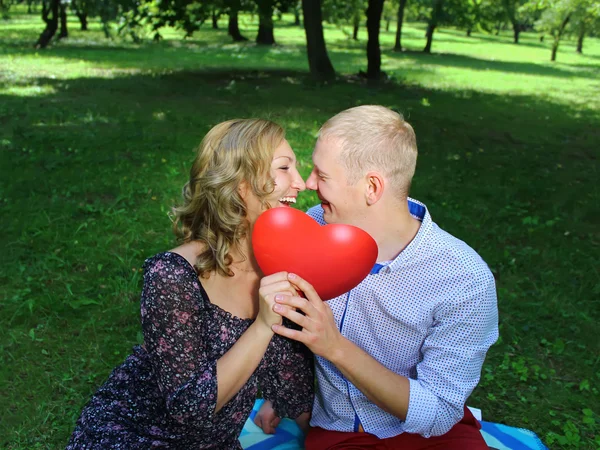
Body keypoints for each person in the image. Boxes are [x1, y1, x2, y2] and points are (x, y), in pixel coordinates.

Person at [256, 105, 499, 449]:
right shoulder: (310, 229)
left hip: (427, 432)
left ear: (372, 187)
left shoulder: (463, 279)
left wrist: (336, 348)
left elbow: (439, 412)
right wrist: (284, 392)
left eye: (322, 176)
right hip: (339, 430)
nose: (308, 184)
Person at [66, 119, 314, 449]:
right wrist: (262, 326)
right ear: (240, 185)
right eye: (284, 168)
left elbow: (293, 389)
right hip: (135, 436)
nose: (300, 182)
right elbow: (189, 406)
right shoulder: (172, 275)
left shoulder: (280, 270)